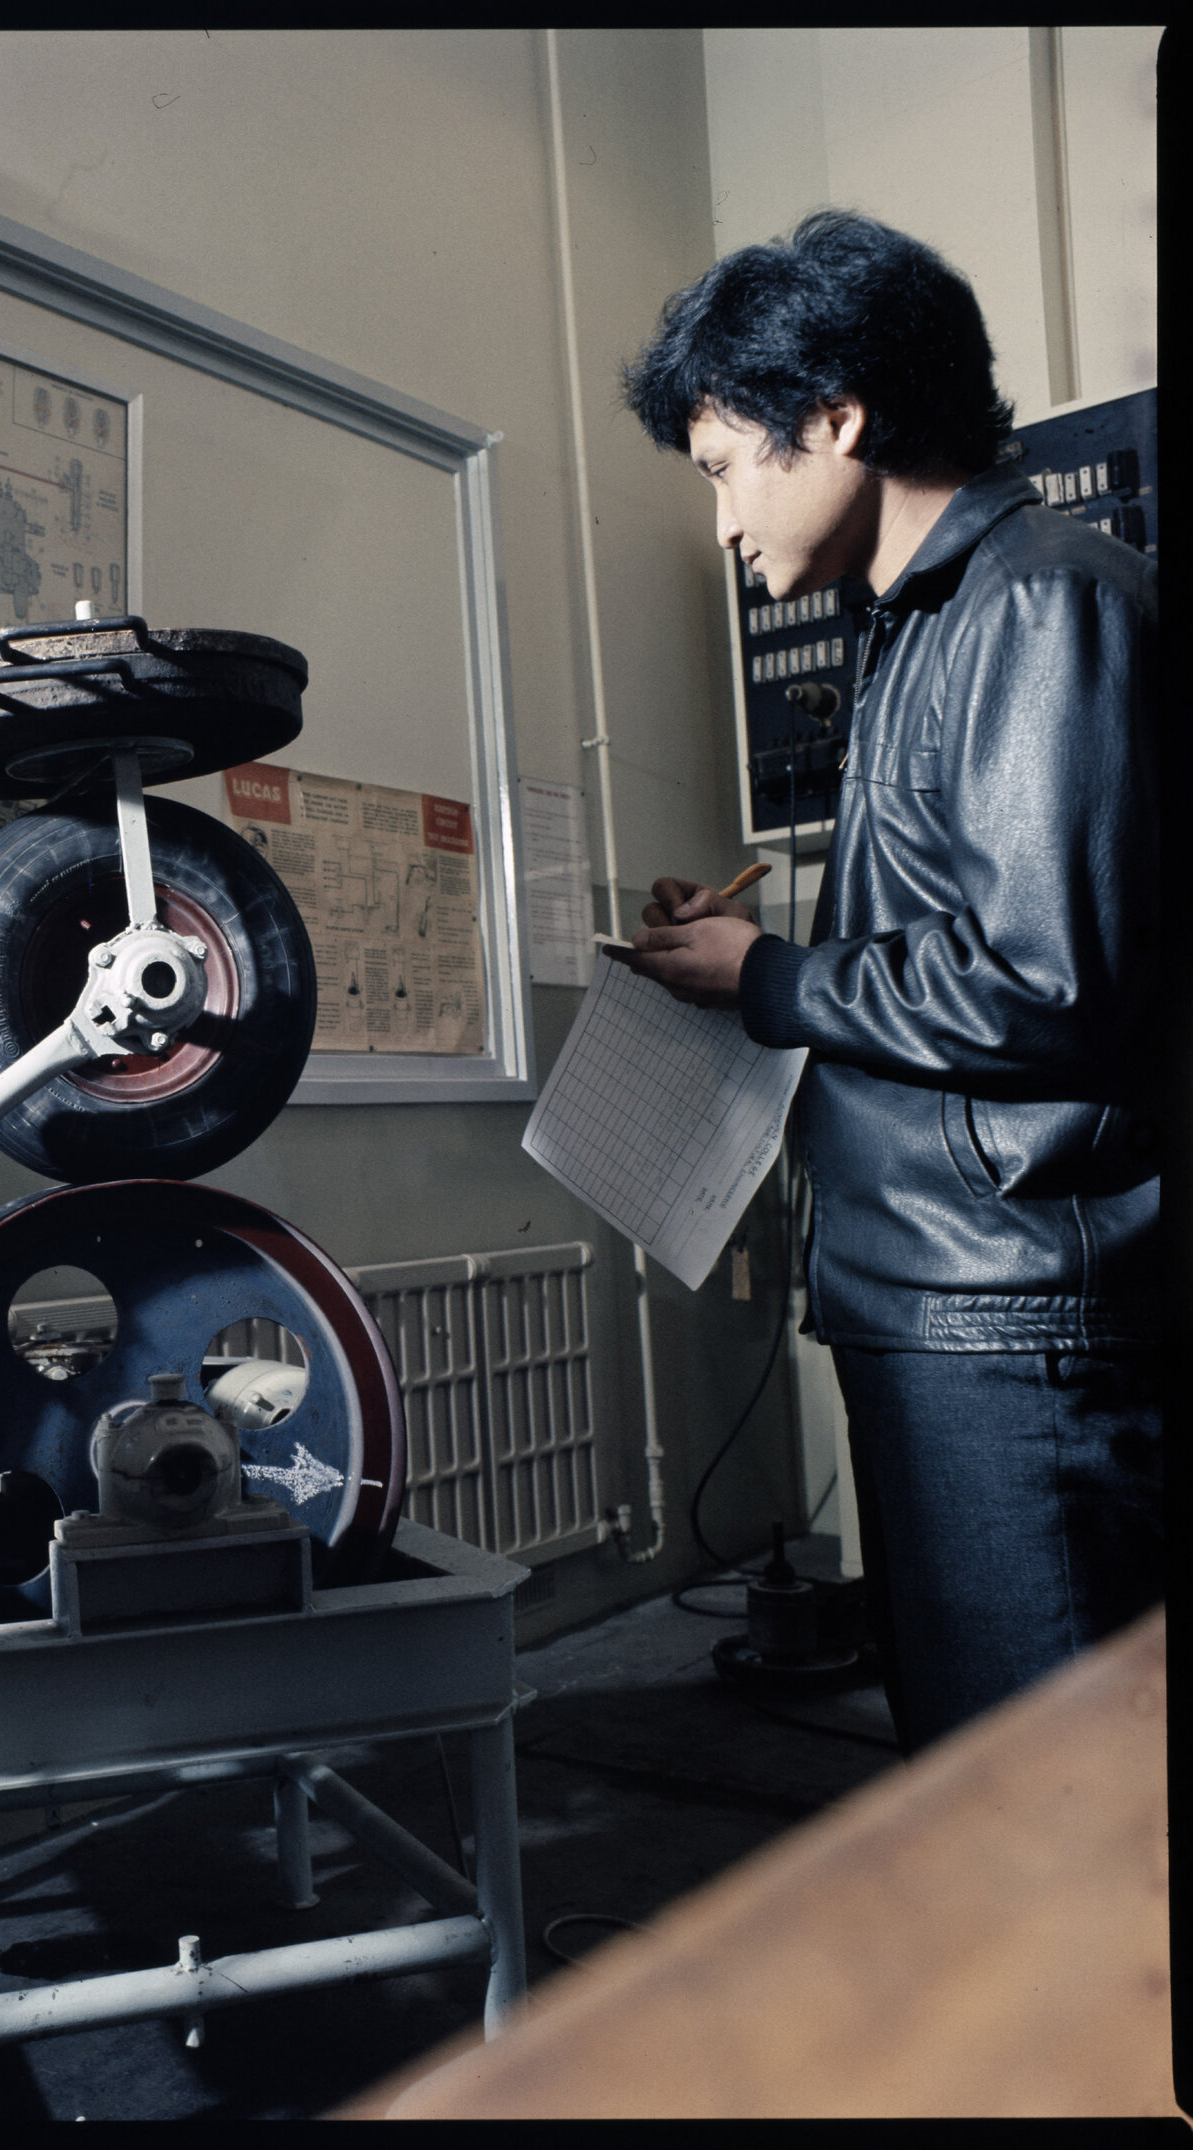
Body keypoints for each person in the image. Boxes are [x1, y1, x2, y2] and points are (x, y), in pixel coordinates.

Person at [616, 211, 1161, 1755]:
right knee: (972, 1768)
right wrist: (744, 957)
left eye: (722, 467)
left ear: (837, 419)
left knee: (1031, 1798)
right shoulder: (919, 625)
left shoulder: (1039, 599)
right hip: (940, 1299)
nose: (722, 525)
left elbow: (1043, 981)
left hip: (1008, 1314)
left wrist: (768, 974)